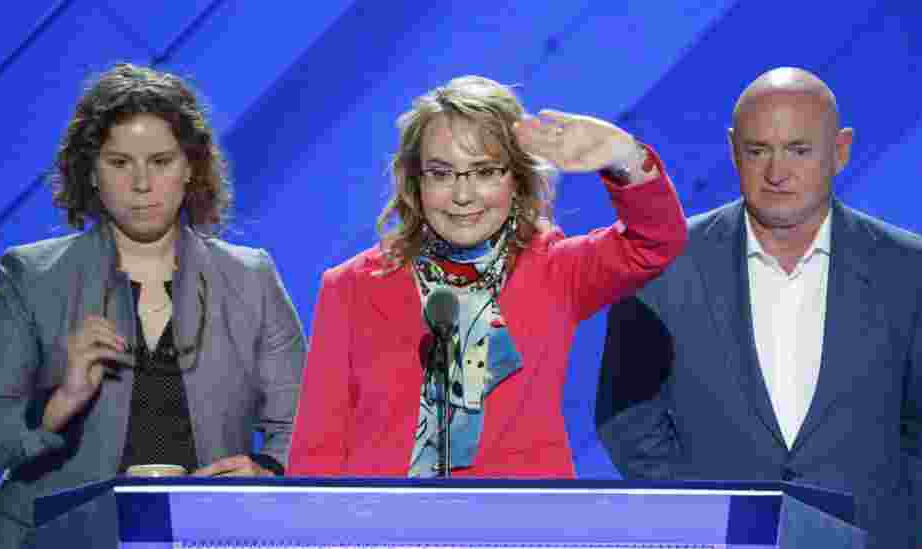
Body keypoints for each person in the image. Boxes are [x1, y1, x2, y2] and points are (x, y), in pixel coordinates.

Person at [596, 67, 922, 549]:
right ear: (732, 151)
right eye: (758, 150)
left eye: (799, 149)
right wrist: (709, 522)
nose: (778, 171)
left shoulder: (914, 272)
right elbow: (626, 413)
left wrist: (866, 530)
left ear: (841, 151)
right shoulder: (662, 268)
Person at [0, 63, 307, 549]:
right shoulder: (32, 277)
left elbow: (306, 427)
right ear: (91, 175)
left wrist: (267, 468)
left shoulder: (250, 279)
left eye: (161, 160)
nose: (143, 183)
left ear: (191, 168)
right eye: (120, 163)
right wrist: (58, 401)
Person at [287, 75, 686, 478]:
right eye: (441, 174)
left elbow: (655, 242)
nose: (463, 195)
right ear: (415, 182)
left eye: (484, 172)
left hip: (519, 531)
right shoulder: (350, 286)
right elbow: (316, 453)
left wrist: (622, 156)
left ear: (516, 180)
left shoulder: (555, 270)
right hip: (385, 532)